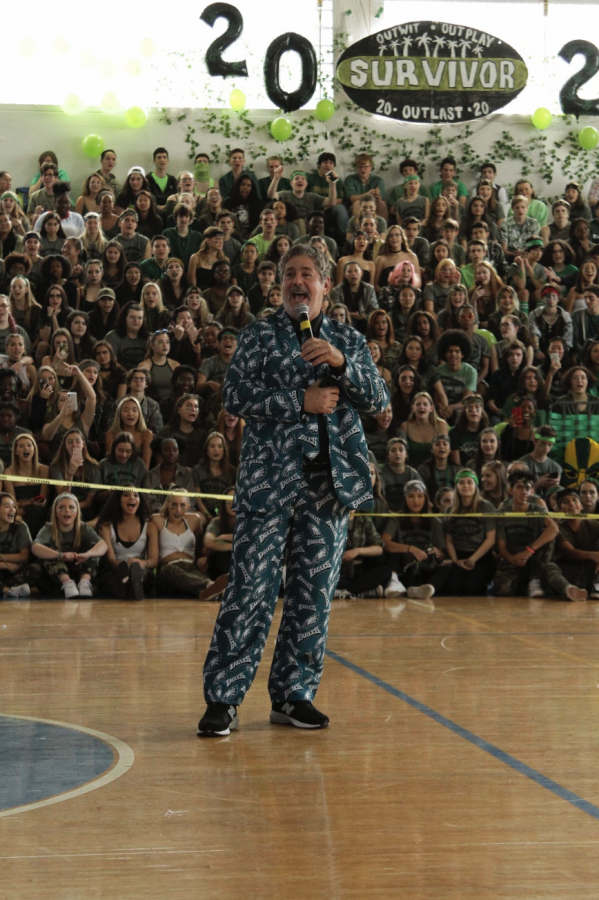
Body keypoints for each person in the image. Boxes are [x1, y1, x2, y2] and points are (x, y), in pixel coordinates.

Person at [197, 244, 389, 737]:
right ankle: (224, 698)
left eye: (307, 274)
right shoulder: (258, 335)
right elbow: (236, 396)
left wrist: (343, 364)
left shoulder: (348, 338)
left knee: (313, 596)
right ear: (279, 285)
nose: (297, 282)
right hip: (269, 482)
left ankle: (293, 694)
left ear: (325, 284)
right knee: (250, 590)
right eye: (289, 275)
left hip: (330, 485)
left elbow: (379, 399)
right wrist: (297, 400)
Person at [495, 469, 586, 601]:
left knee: (548, 535)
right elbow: (501, 546)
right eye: (519, 487)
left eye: (528, 488)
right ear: (511, 490)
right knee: (503, 591)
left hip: (534, 559)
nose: (524, 491)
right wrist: (512, 558)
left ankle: (535, 579)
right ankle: (523, 584)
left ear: (532, 491)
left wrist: (529, 550)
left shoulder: (537, 509)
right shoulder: (502, 513)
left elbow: (554, 529)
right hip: (511, 560)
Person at [382, 480, 448, 600]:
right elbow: (385, 542)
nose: (416, 500)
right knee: (394, 553)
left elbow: (442, 554)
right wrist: (410, 549)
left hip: (426, 569)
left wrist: (438, 553)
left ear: (426, 499)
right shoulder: (396, 519)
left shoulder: (435, 522)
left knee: (447, 567)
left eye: (420, 496)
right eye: (411, 496)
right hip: (404, 569)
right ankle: (394, 583)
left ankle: (427, 589)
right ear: (405, 498)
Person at [31, 494, 107, 598]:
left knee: (94, 550)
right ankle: (67, 583)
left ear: (76, 513)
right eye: (61, 507)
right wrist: (60, 555)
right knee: (48, 552)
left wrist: (87, 554)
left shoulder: (83, 527)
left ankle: (84, 583)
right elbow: (35, 547)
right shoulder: (49, 527)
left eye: (71, 507)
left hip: (77, 569)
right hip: (57, 576)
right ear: (56, 513)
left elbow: (103, 545)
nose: (67, 510)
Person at [97, 487, 158, 600]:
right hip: (117, 569)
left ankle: (130, 585)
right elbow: (110, 560)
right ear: (118, 500)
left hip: (140, 568)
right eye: (126, 495)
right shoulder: (107, 526)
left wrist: (141, 563)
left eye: (136, 495)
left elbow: (154, 560)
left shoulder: (149, 526)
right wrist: (125, 566)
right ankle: (127, 585)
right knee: (111, 577)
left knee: (142, 574)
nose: (132, 498)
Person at [443, 470, 497, 596]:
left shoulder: (486, 507)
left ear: (475, 486)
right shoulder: (450, 510)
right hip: (459, 554)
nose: (465, 485)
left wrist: (473, 559)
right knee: (453, 588)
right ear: (456, 486)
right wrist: (456, 561)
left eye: (469, 482)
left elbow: (490, 539)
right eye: (461, 482)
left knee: (471, 588)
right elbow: (449, 540)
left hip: (481, 555)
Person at [0, 492, 32, 598]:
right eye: (7, 506)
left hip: (15, 572)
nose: (12, 509)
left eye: (14, 506)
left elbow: (24, 557)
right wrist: (6, 565)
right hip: (7, 568)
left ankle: (10, 589)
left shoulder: (21, 527)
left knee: (37, 569)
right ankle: (7, 590)